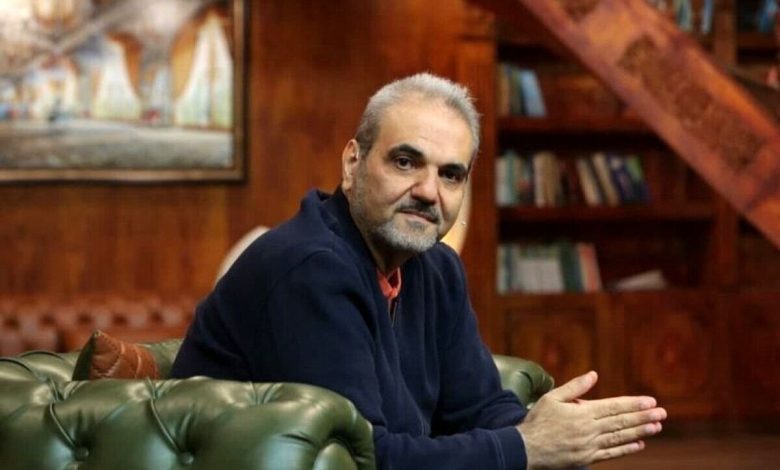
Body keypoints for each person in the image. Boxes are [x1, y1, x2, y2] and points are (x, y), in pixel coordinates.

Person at [171, 73, 666, 469]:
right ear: (352, 164)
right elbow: (366, 457)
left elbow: (477, 407)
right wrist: (527, 447)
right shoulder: (309, 268)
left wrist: (549, 433)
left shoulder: (437, 267)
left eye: (450, 174)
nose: (429, 192)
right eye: (406, 162)